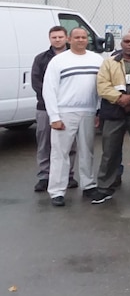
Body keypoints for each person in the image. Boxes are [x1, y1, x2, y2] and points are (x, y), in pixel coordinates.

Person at [41, 27, 103, 206]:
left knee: (87, 151)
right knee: (60, 153)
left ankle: (88, 185)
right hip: (64, 112)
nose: (81, 40)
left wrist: (98, 110)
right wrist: (54, 116)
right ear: (69, 39)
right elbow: (49, 89)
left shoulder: (97, 59)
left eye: (84, 37)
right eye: (77, 37)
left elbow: (100, 88)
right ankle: (57, 191)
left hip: (89, 111)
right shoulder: (58, 61)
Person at [90, 31, 130, 203]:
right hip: (113, 112)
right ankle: (105, 187)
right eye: (127, 41)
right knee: (110, 152)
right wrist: (120, 98)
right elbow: (102, 85)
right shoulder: (108, 62)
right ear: (121, 44)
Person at [31, 25, 71, 193]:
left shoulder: (73, 57)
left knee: (69, 144)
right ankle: (44, 176)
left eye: (60, 37)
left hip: (68, 107)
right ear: (50, 39)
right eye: (54, 37)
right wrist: (51, 100)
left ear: (66, 38)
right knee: (45, 143)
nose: (57, 40)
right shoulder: (41, 59)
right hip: (45, 108)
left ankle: (69, 175)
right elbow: (36, 82)